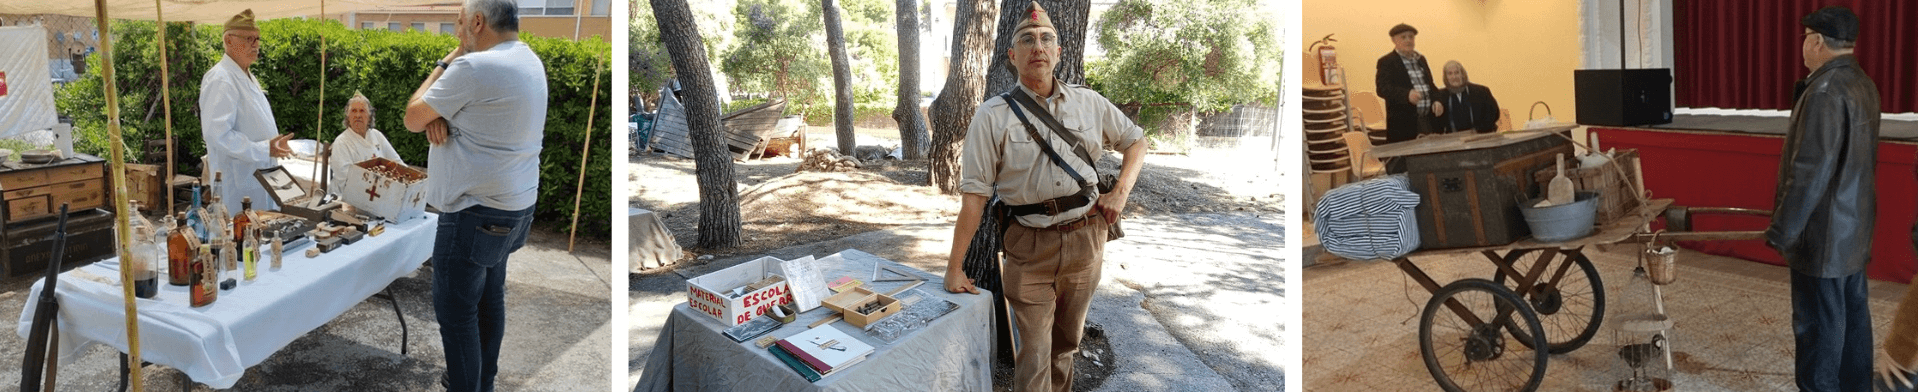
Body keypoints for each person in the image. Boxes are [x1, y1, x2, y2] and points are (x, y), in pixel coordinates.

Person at [943, 2, 1147, 391]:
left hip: (1086, 239)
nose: (1038, 46)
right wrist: (954, 267)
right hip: (1029, 246)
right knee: (1035, 352)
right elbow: (974, 198)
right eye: (1027, 39)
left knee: (1066, 345)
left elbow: (1136, 142)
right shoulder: (992, 116)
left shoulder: (1090, 103)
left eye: (1046, 39)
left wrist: (1120, 194)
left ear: (1057, 52)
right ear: (1013, 55)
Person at [402, 0, 545, 390]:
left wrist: (447, 60)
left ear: (478, 22)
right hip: (514, 209)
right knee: (488, 300)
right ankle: (484, 383)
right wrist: (444, 114)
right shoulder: (530, 61)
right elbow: (482, 114)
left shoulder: (472, 67)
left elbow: (413, 116)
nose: (457, 31)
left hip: (471, 213)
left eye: (459, 23)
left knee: (457, 315)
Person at [1766, 6, 1878, 392]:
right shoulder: (1862, 83)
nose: (1803, 47)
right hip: (1853, 230)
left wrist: (1783, 230)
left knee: (1817, 329)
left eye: (1805, 39)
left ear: (1816, 41)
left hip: (1823, 238)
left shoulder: (1826, 91)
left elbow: (1809, 174)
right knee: (1853, 322)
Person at [199, 9, 294, 212]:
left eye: (257, 38)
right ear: (229, 40)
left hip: (261, 176)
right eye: (249, 38)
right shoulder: (221, 78)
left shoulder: (246, 75)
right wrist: (264, 149)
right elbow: (218, 136)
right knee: (243, 237)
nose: (256, 44)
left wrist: (273, 145)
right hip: (238, 184)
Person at [1374, 23, 1441, 144]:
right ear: (1394, 40)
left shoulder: (1421, 59)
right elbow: (1382, 88)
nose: (1408, 40)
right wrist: (1406, 95)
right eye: (1403, 37)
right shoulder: (1387, 62)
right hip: (1404, 124)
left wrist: (1437, 100)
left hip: (1427, 120)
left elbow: (1430, 86)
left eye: (1411, 37)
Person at [329, 91, 406, 193]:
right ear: (348, 117)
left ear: (369, 117)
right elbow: (345, 179)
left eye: (362, 111)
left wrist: (407, 179)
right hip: (347, 197)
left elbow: (396, 162)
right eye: (353, 111)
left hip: (379, 191)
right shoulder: (341, 142)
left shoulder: (376, 135)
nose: (358, 115)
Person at [1435, 60, 1499, 134]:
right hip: (1453, 141)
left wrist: (1478, 130)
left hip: (1480, 137)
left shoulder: (1481, 92)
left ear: (1462, 74)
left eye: (1457, 73)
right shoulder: (1440, 97)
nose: (1454, 77)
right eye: (1450, 74)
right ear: (1446, 77)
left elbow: (1494, 114)